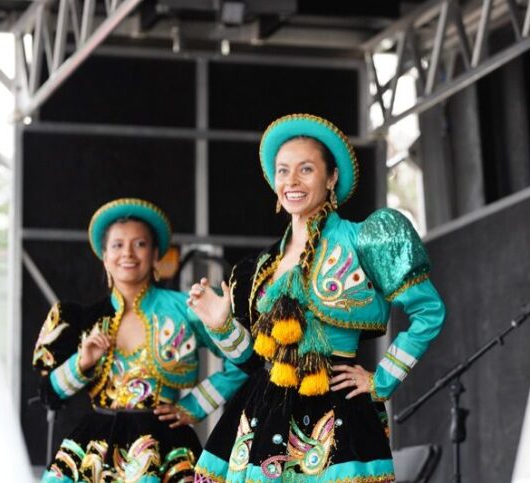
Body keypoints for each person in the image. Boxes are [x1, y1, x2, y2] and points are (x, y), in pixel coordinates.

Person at [187, 114, 447, 482]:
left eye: (306, 169)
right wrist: (221, 326)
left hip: (336, 417)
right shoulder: (260, 266)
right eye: (282, 171)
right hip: (261, 416)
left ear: (331, 178)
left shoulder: (365, 240)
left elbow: (429, 312)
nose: (291, 181)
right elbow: (251, 360)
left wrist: (382, 379)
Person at [32, 198, 249, 482]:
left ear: (156, 254)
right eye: (117, 245)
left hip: (165, 450)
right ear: (104, 256)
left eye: (140, 244)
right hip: (94, 453)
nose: (128, 253)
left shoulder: (187, 309)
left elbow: (244, 361)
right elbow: (49, 393)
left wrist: (194, 406)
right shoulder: (82, 319)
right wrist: (82, 363)